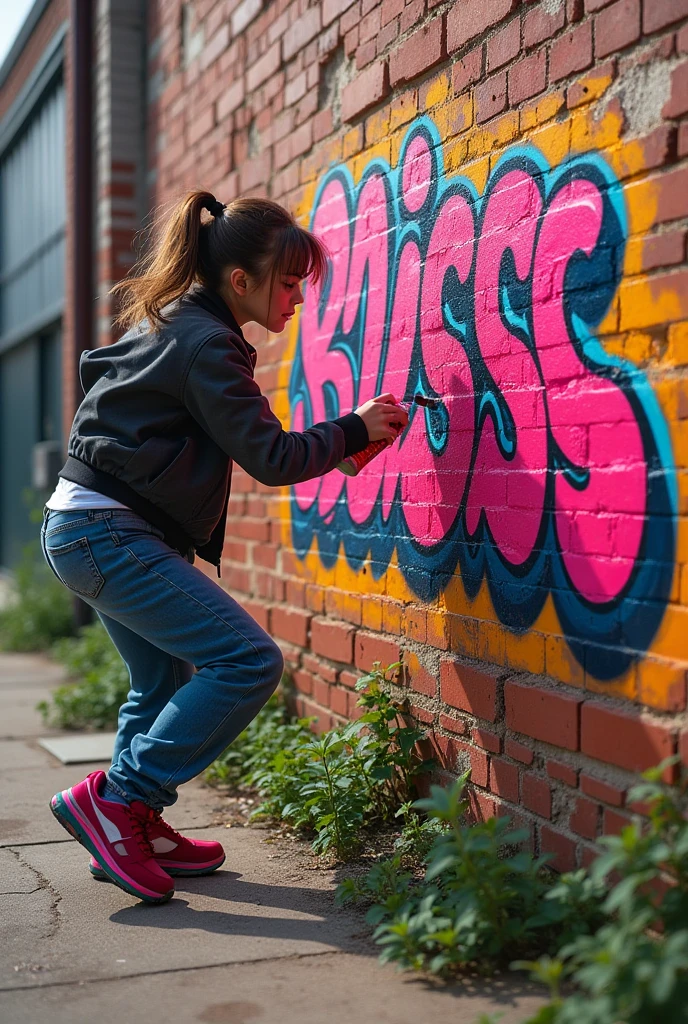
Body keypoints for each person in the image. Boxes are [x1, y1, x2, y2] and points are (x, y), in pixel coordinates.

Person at [43, 191, 408, 904]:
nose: (298, 298)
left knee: (162, 683)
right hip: (108, 532)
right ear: (240, 280)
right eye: (290, 281)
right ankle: (119, 801)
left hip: (90, 525)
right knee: (246, 660)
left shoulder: (182, 325)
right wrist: (354, 430)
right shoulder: (209, 343)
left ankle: (133, 829)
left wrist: (338, 445)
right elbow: (270, 456)